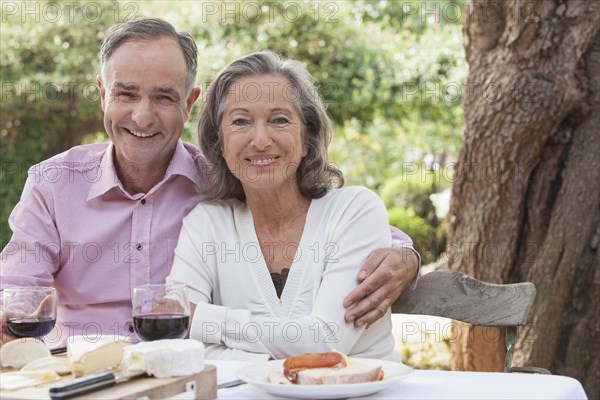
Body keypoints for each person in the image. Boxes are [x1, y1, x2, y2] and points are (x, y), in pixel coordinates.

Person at [0, 18, 418, 348]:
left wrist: (405, 256)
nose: (142, 117)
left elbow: (328, 217)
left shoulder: (223, 178)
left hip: (182, 373)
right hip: (79, 372)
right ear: (102, 93)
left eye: (163, 97)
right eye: (126, 94)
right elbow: (17, 292)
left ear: (190, 102)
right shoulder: (54, 183)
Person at [167, 51, 401, 361]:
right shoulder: (205, 224)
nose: (261, 140)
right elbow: (176, 336)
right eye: (240, 121)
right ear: (220, 144)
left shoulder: (354, 210)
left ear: (306, 138)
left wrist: (205, 322)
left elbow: (325, 342)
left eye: (279, 119)